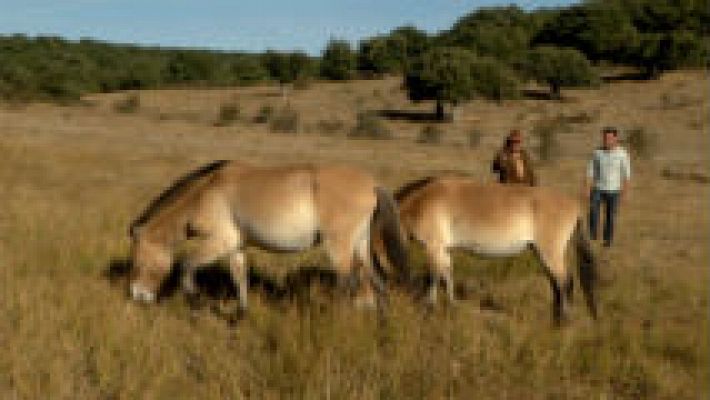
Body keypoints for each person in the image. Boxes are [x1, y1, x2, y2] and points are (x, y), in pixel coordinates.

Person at [585, 126, 631, 247]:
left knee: (610, 217)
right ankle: (593, 236)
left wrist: (624, 193)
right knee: (593, 212)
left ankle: (607, 240)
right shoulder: (597, 153)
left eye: (610, 138)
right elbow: (590, 172)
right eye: (605, 138)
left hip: (614, 191)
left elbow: (626, 175)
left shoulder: (622, 154)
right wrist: (587, 189)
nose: (607, 141)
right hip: (598, 189)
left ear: (616, 139)